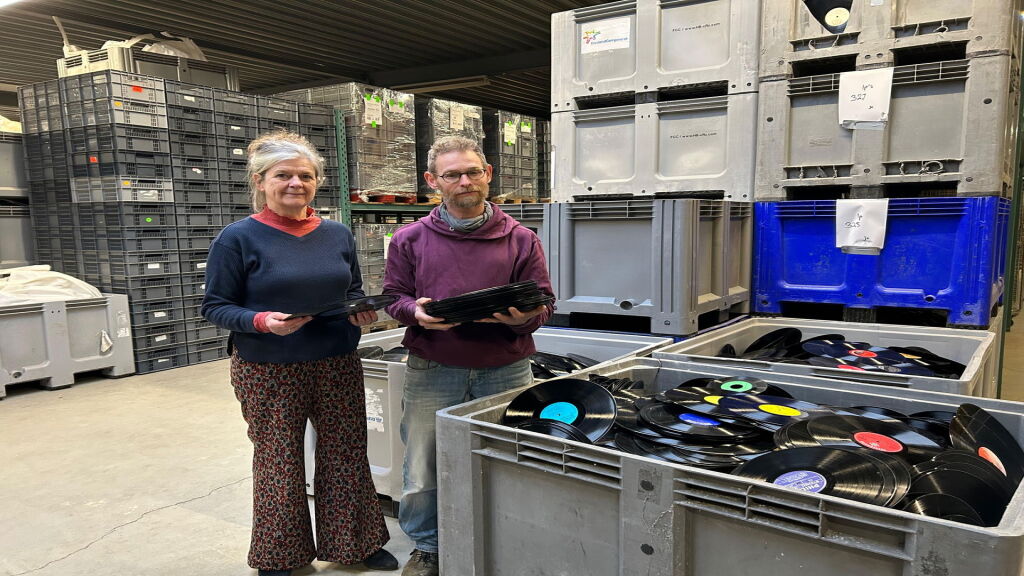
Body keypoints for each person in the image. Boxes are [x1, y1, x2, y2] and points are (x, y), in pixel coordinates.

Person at [201, 130, 398, 576]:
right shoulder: (237, 239)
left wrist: (359, 313)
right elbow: (215, 306)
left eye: (305, 175)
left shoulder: (336, 234)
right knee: (279, 458)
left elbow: (351, 290)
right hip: (269, 368)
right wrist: (262, 321)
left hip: (336, 361)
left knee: (346, 452)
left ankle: (356, 544)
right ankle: (280, 556)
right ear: (260, 181)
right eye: (283, 175)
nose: (296, 183)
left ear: (317, 182)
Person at [382, 135, 554, 576]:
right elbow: (393, 298)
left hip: (506, 368)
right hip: (433, 366)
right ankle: (427, 547)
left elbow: (545, 303)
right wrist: (415, 314)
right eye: (452, 174)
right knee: (422, 466)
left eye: (472, 172)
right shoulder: (409, 240)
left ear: (488, 175)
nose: (464, 181)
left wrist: (520, 319)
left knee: (511, 455)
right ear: (432, 181)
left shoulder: (521, 239)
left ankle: (508, 533)